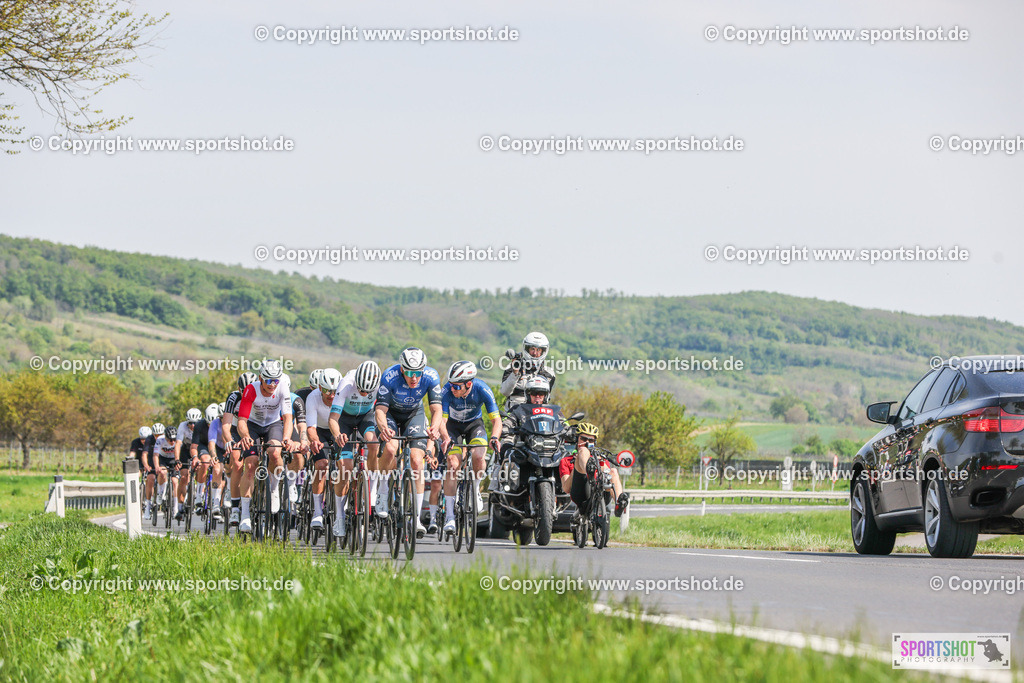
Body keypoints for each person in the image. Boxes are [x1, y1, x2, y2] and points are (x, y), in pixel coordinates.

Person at [373, 348, 443, 538]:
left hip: (414, 415)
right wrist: (383, 428)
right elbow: (380, 410)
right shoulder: (390, 376)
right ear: (402, 369)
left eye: (418, 372)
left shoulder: (431, 376)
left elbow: (437, 410)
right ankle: (383, 489)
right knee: (390, 448)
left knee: (417, 461)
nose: (414, 377)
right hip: (391, 415)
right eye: (410, 373)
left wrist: (435, 428)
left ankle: (417, 518)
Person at [438, 360, 500, 536]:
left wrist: (495, 437)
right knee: (453, 464)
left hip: (474, 425)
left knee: (479, 455)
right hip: (452, 427)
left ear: (469, 384)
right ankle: (450, 516)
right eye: (451, 385)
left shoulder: (482, 389)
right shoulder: (446, 392)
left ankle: (476, 488)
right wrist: (445, 438)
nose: (453, 389)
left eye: (457, 387)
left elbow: (496, 420)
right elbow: (442, 421)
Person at [235, 360, 296, 534]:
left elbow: (288, 418)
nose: (272, 385)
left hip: (273, 424)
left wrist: (286, 438)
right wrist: (246, 436)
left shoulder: (282, 387)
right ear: (261, 378)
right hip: (253, 426)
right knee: (250, 464)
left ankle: (274, 488)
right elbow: (242, 421)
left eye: (275, 380)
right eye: (269, 381)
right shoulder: (251, 389)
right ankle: (245, 515)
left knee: (275, 453)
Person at [325, 361, 382, 540]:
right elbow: (333, 419)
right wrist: (337, 435)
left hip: (366, 417)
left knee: (373, 444)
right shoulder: (346, 384)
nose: (364, 394)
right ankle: (340, 518)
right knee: (346, 468)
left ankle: (371, 491)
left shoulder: (379, 384)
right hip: (345, 420)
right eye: (361, 390)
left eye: (367, 392)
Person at [558, 422, 629, 519]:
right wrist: (576, 466)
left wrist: (600, 463)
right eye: (583, 438)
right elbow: (566, 488)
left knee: (613, 471)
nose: (587, 442)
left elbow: (608, 472)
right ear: (576, 439)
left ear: (594, 443)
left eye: (590, 440)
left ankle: (619, 503)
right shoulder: (566, 461)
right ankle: (588, 472)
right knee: (583, 450)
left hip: (600, 491)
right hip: (581, 493)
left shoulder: (599, 458)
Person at [222, 372, 257, 526]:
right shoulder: (233, 397)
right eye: (243, 390)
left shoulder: (261, 395)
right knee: (237, 464)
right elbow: (226, 425)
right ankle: (236, 508)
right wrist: (229, 441)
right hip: (237, 431)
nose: (246, 394)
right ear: (239, 388)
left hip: (254, 430)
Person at [173, 407, 202, 521]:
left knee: (201, 469)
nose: (193, 426)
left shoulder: (202, 425)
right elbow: (178, 444)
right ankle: (180, 506)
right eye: (190, 423)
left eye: (195, 423)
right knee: (184, 477)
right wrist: (176, 459)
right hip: (185, 450)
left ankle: (200, 495)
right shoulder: (182, 426)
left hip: (198, 449)